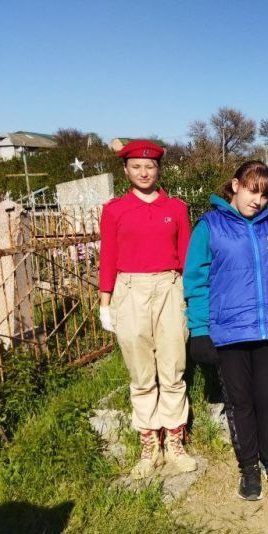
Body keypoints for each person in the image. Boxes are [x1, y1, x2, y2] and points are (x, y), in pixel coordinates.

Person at [183, 160, 268, 501]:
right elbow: (195, 281)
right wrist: (199, 329)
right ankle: (249, 469)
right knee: (240, 404)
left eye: (265, 195)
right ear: (236, 185)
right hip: (230, 331)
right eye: (253, 191)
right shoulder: (210, 226)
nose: (258, 201)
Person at [98, 139, 196, 480]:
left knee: (173, 366)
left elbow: (186, 256)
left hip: (170, 287)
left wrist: (192, 298)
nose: (143, 172)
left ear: (158, 169)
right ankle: (149, 445)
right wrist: (105, 302)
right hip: (130, 290)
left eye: (150, 166)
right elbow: (107, 256)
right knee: (141, 373)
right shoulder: (114, 210)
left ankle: (174, 442)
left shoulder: (178, 208)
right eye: (136, 167)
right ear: (125, 170)